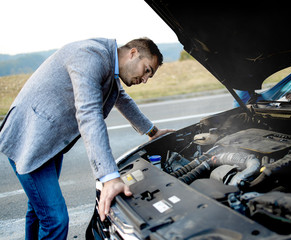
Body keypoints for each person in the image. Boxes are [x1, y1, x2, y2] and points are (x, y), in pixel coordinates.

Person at [0, 37, 174, 239]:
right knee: (55, 220)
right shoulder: (91, 56)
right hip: (29, 140)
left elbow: (121, 98)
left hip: (47, 142)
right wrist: (109, 177)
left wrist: (152, 132)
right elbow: (89, 114)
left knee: (40, 211)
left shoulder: (108, 63)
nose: (144, 80)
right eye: (147, 70)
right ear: (133, 53)